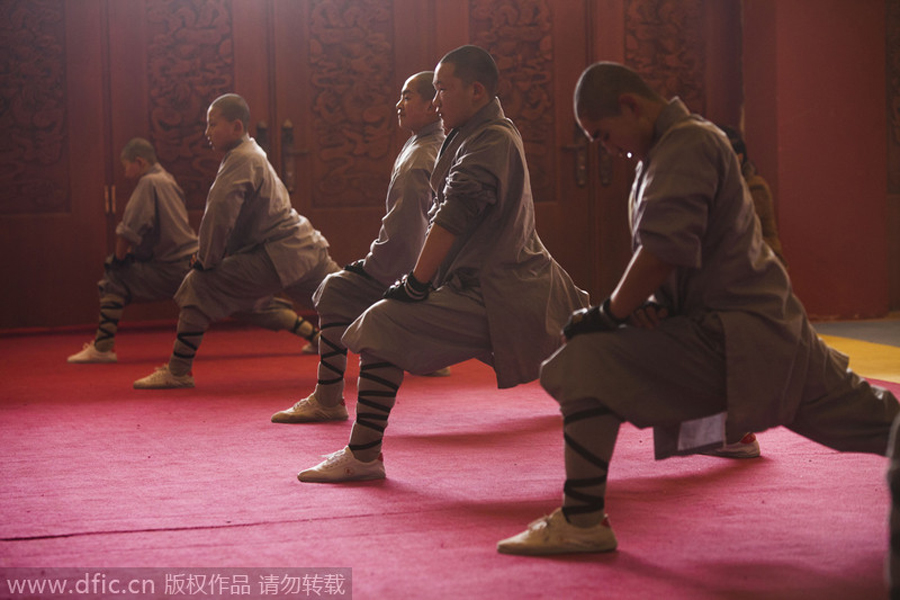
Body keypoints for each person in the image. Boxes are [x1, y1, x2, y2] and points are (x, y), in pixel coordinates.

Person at [496, 62, 899, 555]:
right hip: (736, 336)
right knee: (877, 422)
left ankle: (581, 521)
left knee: (588, 358)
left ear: (630, 105)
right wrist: (651, 306)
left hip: (751, 338)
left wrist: (608, 315)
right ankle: (582, 517)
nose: (607, 149)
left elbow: (661, 251)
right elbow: (682, 258)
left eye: (602, 135)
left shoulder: (688, 144)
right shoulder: (666, 151)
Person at [296, 45, 589, 482]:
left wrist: (416, 284)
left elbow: (453, 215)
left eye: (442, 90)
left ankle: (363, 455)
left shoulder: (491, 138)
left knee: (383, 323)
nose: (435, 102)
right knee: (596, 360)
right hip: (503, 284)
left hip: (502, 291)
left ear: (476, 91)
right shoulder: (473, 132)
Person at [271, 71, 446, 424]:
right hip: (432, 267)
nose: (398, 104)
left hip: (417, 274)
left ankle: (328, 399)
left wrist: (371, 268)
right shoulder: (432, 143)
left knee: (335, 290)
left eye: (407, 96)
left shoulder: (419, 159)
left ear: (432, 106)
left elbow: (404, 237)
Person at [133, 93, 339, 388]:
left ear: (237, 127)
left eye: (212, 124)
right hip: (304, 248)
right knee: (344, 301)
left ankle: (178, 371)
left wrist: (206, 260)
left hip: (280, 253)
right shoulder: (249, 153)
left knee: (198, 284)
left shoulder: (242, 158)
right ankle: (402, 349)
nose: (207, 132)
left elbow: (219, 215)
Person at [67, 138, 198, 364]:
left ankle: (102, 347)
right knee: (243, 303)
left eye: (126, 165)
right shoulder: (168, 179)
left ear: (140, 162)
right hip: (194, 262)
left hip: (171, 267)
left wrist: (118, 260)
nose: (125, 172)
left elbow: (128, 230)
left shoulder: (148, 183)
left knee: (114, 278)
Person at [718, 124, 787, 265]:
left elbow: (735, 226)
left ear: (739, 158)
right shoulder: (726, 185)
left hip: (764, 267)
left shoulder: (755, 187)